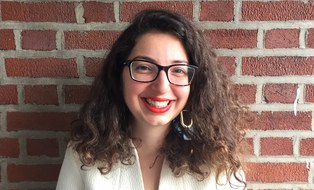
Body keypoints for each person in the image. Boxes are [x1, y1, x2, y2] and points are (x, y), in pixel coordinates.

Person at [56, 9, 249, 190]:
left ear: (195, 84)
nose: (162, 87)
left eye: (178, 70)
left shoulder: (219, 160)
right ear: (118, 75)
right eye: (144, 68)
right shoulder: (83, 154)